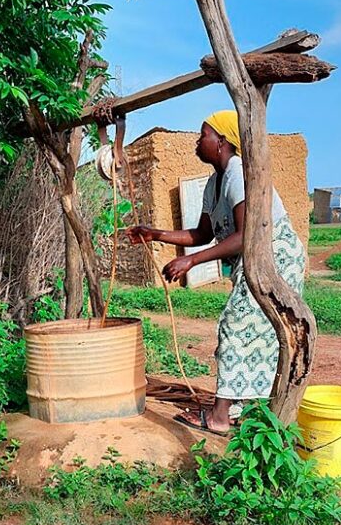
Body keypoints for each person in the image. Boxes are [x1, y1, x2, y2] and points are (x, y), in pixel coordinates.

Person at [126, 110, 306, 436]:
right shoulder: (215, 182)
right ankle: (245, 409)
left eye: (203, 135)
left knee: (237, 325)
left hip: (276, 258)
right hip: (254, 259)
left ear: (221, 141)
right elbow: (202, 235)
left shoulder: (239, 172)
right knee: (253, 332)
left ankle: (221, 416)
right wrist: (155, 233)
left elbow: (245, 234)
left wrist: (191, 262)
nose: (197, 142)